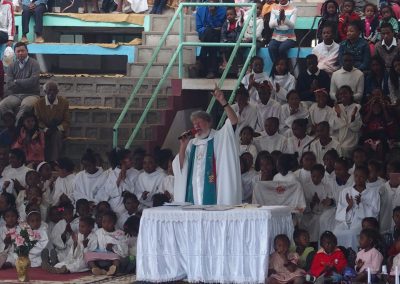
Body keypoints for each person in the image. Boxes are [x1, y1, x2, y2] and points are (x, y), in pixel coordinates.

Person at [172, 87, 241, 205]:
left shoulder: (219, 137)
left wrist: (223, 101)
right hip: (194, 192)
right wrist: (183, 146)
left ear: (209, 122)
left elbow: (234, 121)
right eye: (194, 124)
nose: (196, 126)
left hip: (215, 192)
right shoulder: (192, 143)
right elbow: (181, 167)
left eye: (199, 122)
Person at [334, 166, 380, 250]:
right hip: (346, 221)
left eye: (362, 177)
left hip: (362, 222)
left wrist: (361, 204)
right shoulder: (345, 191)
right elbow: (339, 212)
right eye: (356, 176)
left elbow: (374, 213)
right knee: (336, 232)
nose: (358, 179)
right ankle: (339, 255)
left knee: (352, 233)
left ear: (366, 177)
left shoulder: (373, 193)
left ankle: (354, 255)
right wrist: (349, 206)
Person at [2, 42, 40, 122]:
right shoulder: (12, 66)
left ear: (27, 51)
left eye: (22, 51)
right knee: (2, 105)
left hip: (32, 94)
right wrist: (25, 83)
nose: (20, 53)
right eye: (18, 51)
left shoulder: (34, 63)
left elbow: (33, 82)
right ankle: (11, 123)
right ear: (15, 53)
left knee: (26, 105)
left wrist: (16, 81)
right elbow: (9, 84)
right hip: (15, 95)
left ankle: (17, 126)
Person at [34, 81, 70, 162]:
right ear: (45, 91)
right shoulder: (38, 103)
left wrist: (57, 128)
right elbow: (38, 120)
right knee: (41, 135)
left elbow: (66, 121)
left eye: (54, 90)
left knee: (57, 135)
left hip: (57, 129)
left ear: (57, 91)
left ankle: (54, 162)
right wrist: (46, 129)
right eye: (49, 90)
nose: (52, 92)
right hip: (43, 129)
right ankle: (41, 161)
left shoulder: (64, 103)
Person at [85, 210, 128, 276]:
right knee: (88, 255)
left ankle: (113, 268)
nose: (106, 224)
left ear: (114, 222)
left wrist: (113, 247)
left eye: (109, 222)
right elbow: (93, 243)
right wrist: (89, 243)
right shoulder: (98, 232)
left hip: (112, 256)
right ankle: (95, 268)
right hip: (100, 255)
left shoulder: (119, 233)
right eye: (104, 222)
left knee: (117, 258)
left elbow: (123, 246)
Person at [300, 164, 334, 242]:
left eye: (318, 177)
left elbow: (330, 202)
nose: (315, 179)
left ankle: (318, 242)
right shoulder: (305, 187)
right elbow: (302, 204)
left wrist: (322, 202)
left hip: (321, 213)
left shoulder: (326, 187)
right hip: (308, 214)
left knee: (320, 220)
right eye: (313, 176)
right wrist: (312, 203)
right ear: (311, 175)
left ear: (322, 176)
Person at [195, 0, 226, 79]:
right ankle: (212, 70)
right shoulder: (200, 9)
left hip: (217, 34)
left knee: (212, 35)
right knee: (209, 33)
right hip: (205, 34)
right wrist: (209, 29)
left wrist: (213, 14)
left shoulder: (223, 9)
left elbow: (221, 26)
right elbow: (199, 28)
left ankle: (201, 62)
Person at [331, 85, 362, 157]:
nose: (343, 95)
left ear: (351, 94)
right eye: (340, 94)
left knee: (344, 149)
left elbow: (356, 128)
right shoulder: (335, 108)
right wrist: (338, 114)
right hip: (337, 136)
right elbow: (333, 126)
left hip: (350, 137)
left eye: (345, 93)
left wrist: (353, 119)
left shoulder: (356, 107)